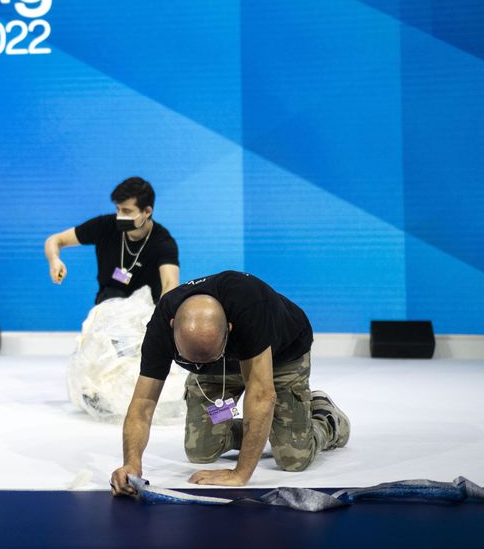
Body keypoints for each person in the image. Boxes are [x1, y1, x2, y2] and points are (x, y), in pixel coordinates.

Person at [110, 271, 350, 491]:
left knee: (293, 458)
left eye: (206, 359)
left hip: (280, 357)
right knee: (201, 451)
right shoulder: (160, 326)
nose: (199, 367)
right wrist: (132, 464)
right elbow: (143, 402)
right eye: (193, 362)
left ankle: (324, 417)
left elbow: (262, 395)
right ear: (173, 328)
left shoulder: (251, 307)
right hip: (222, 370)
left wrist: (240, 473)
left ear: (230, 329)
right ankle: (270, 426)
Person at [44, 177, 180, 305]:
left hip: (147, 308)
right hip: (108, 305)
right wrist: (54, 259)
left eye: (127, 211)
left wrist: (161, 316)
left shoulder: (163, 242)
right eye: (118, 209)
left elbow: (170, 284)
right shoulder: (104, 225)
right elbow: (55, 240)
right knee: (111, 296)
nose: (120, 216)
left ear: (147, 211)